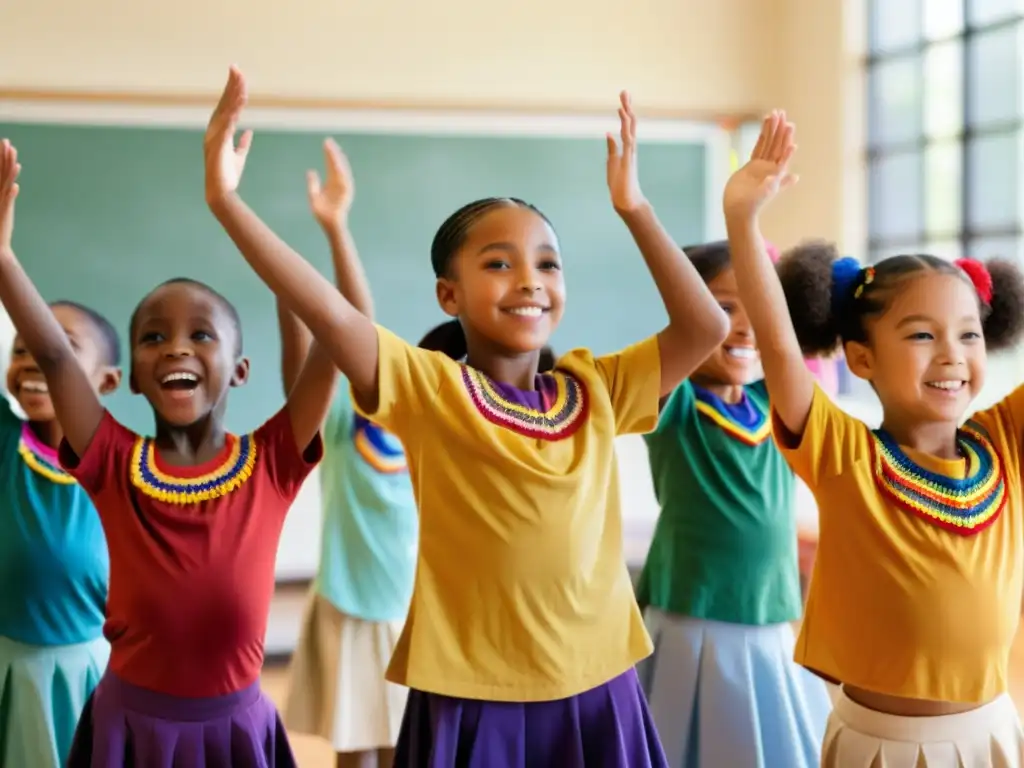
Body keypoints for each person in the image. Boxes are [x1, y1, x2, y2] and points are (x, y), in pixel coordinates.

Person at [203, 66, 731, 767]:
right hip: (473, 694)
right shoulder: (431, 389)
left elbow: (704, 327)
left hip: (598, 686)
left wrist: (634, 208)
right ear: (448, 294)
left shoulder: (595, 387)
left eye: (548, 264)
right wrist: (226, 202)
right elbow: (329, 312)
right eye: (499, 263)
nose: (530, 282)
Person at [0, 138, 337, 766]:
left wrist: (232, 209)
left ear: (238, 370)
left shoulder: (270, 462)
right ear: (130, 378)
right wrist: (1, 256)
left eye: (200, 335)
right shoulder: (109, 459)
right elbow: (52, 354)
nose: (176, 348)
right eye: (153, 337)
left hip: (236, 728)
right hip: (130, 729)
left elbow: (329, 349)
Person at [723, 111, 1024, 766]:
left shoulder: (1007, 441)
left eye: (967, 334)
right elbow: (777, 344)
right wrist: (743, 222)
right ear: (859, 358)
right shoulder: (845, 455)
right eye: (921, 335)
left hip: (993, 734)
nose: (951, 354)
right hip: (876, 745)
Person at [635, 240, 831, 768]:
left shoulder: (776, 403)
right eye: (723, 310)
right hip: (688, 618)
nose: (743, 329)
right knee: (679, 745)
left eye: (758, 312)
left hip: (769, 620)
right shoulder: (676, 404)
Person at [282, 138, 417, 768]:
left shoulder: (424, 424)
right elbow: (328, 346)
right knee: (353, 754)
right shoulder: (337, 426)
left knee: (403, 750)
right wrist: (294, 292)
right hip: (347, 605)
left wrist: (337, 229)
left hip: (408, 612)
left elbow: (360, 331)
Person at [0, 298, 120, 768]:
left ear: (107, 381)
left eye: (57, 350)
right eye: (21, 350)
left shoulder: (125, 465)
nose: (36, 360)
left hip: (95, 678)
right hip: (9, 674)